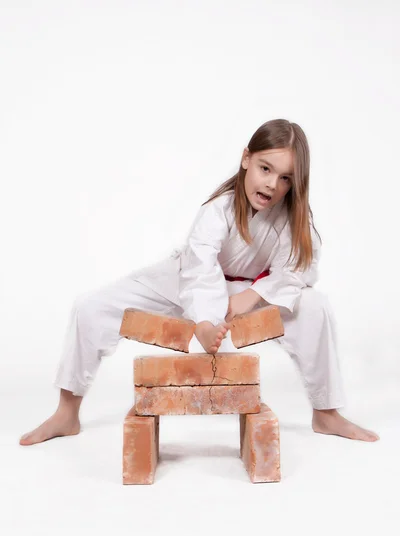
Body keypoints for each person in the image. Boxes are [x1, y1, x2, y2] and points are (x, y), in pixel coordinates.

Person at [19, 118, 379, 446]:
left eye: (285, 178)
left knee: (314, 305)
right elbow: (200, 269)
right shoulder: (219, 210)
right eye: (265, 168)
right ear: (245, 159)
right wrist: (205, 323)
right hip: (183, 279)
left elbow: (300, 269)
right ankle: (67, 412)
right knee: (90, 307)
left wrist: (252, 295)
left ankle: (326, 413)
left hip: (243, 290)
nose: (272, 183)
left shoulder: (291, 218)